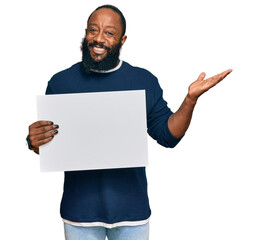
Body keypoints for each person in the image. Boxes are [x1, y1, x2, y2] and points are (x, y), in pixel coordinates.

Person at [26, 4, 232, 240]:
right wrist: (34, 142)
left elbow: (168, 136)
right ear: (85, 33)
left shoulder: (143, 80)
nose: (99, 38)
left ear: (122, 40)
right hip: (79, 212)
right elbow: (51, 146)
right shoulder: (61, 82)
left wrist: (190, 100)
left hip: (131, 212)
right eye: (93, 30)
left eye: (109, 33)